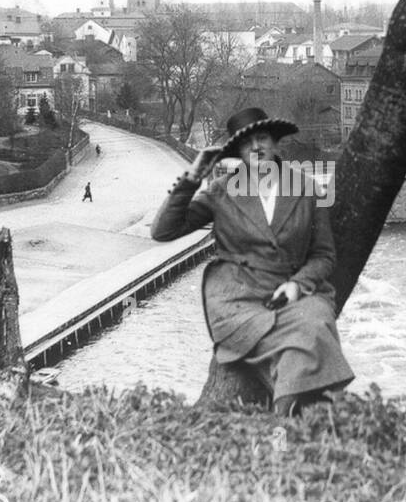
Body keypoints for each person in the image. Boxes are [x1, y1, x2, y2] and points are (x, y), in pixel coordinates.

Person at [151, 106, 354, 418]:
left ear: (275, 144)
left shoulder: (307, 188)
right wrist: (192, 177)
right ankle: (296, 416)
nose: (256, 147)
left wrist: (297, 285)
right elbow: (164, 231)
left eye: (262, 139)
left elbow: (323, 255)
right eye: (247, 143)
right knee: (294, 341)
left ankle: (294, 415)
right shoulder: (222, 190)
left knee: (315, 326)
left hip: (287, 292)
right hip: (238, 297)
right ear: (240, 152)